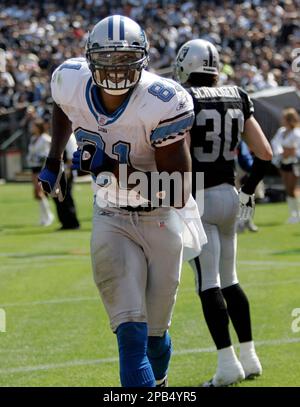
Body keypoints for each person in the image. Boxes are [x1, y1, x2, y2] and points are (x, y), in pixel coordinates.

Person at [38, 15, 206, 387]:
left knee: (155, 338)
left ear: (143, 59)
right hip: (110, 214)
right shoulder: (69, 79)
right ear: (90, 59)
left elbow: (178, 190)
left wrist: (116, 169)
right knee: (130, 334)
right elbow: (63, 106)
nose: (116, 69)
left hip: (161, 217)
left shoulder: (163, 100)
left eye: (124, 58)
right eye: (108, 59)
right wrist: (54, 159)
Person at [174, 39, 273, 387]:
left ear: (186, 65)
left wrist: (175, 200)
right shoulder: (238, 95)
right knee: (230, 280)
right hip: (230, 195)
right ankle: (250, 357)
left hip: (198, 198)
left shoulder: (184, 98)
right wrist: (247, 192)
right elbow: (264, 152)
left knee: (208, 283)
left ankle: (227, 364)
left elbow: (181, 158)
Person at [271, 108, 300, 223]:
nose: (281, 120)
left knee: (293, 189)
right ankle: (293, 214)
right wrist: (282, 153)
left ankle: (297, 214)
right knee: (288, 189)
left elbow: (296, 150)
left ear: (289, 120)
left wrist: (290, 152)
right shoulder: (281, 131)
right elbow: (275, 144)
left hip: (295, 163)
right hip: (283, 162)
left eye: (284, 118)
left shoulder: (297, 133)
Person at [26, 118, 54, 226]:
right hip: (34, 168)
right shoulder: (33, 138)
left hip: (41, 168)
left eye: (34, 126)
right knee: (37, 194)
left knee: (40, 192)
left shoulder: (45, 138)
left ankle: (48, 217)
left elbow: (47, 154)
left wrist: (39, 159)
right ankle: (43, 217)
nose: (32, 128)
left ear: (39, 127)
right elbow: (31, 153)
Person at [53, 133, 80, 230]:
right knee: (58, 197)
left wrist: (68, 170)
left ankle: (72, 223)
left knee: (66, 197)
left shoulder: (69, 137)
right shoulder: (58, 136)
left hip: (66, 171)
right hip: (58, 171)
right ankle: (65, 222)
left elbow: (72, 154)